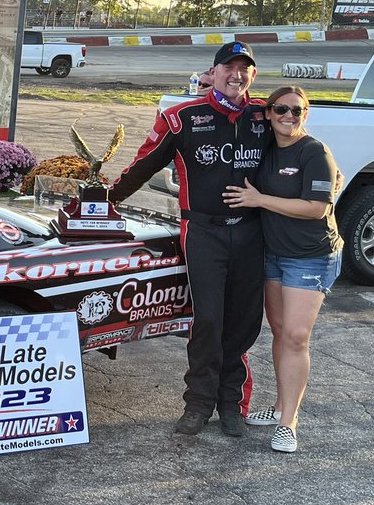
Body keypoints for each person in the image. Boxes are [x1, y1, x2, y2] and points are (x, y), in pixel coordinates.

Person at [108, 41, 267, 437]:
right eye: (228, 67)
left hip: (252, 233)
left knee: (243, 324)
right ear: (212, 73)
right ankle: (197, 404)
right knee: (208, 320)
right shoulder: (181, 117)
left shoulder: (267, 114)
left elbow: (301, 154)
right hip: (203, 232)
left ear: (253, 75)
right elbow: (142, 165)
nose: (237, 75)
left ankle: (231, 404)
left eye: (244, 68)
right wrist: (102, 200)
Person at [221, 86, 342, 453]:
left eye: (298, 111)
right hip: (272, 253)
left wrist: (259, 200)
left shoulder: (314, 151)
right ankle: (278, 408)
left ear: (306, 115)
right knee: (278, 332)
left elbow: (315, 208)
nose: (290, 116)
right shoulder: (268, 149)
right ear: (269, 113)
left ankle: (289, 422)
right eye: (282, 109)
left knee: (295, 336)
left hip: (311, 255)